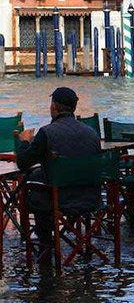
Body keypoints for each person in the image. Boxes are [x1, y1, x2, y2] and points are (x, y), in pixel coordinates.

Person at [17, 87, 101, 263]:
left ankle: (45, 248)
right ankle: (78, 242)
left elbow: (23, 163)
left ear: (54, 106)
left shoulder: (47, 133)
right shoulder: (92, 134)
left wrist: (24, 142)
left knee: (35, 191)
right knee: (43, 180)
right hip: (91, 198)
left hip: (60, 200)